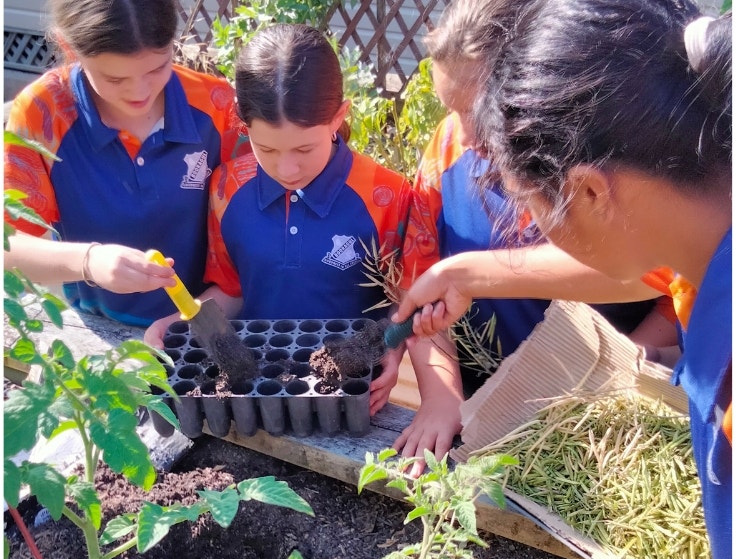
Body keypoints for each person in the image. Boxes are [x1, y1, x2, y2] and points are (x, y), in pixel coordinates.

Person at [397, 1, 732, 559]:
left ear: (586, 189)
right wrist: (469, 273)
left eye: (527, 203)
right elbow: (645, 269)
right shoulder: (702, 245)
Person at [391, 0, 679, 477]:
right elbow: (421, 279)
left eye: (478, 110)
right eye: (450, 108)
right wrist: (442, 394)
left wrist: (616, 378)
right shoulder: (448, 148)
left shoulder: (604, 165)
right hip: (477, 400)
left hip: (594, 414)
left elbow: (665, 281)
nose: (464, 135)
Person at [144, 23, 437, 413]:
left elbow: (407, 307)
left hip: (347, 393)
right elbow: (231, 289)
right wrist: (184, 320)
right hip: (257, 389)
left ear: (338, 118)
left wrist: (391, 351)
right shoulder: (227, 188)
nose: (287, 168)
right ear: (242, 124)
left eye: (304, 148)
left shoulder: (387, 197)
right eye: (266, 148)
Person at [4, 0, 249, 327]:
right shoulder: (42, 115)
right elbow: (9, 247)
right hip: (99, 331)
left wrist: (195, 321)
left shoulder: (217, 108)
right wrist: (88, 261)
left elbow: (257, 231)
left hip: (205, 323)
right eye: (115, 79)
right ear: (69, 48)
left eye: (157, 68)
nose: (140, 91)